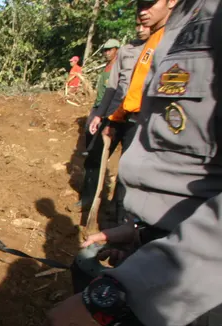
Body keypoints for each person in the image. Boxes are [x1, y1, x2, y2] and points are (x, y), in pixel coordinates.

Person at [45, 0, 222, 326]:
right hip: (156, 253)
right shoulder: (183, 22)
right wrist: (140, 231)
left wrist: (116, 296)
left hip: (206, 288)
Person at [78, 20, 150, 215]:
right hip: (116, 113)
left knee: (128, 167)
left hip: (141, 118)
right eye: (137, 24)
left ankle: (119, 210)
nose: (141, 28)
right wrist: (99, 115)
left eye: (144, 25)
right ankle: (88, 199)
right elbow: (112, 87)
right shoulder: (127, 51)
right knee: (95, 157)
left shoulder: (161, 46)